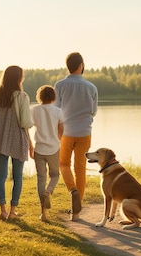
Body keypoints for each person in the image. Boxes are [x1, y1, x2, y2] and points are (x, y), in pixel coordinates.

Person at [0, 65, 34, 221]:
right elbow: (26, 122)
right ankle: (13, 211)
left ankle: (3, 211)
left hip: (0, 139)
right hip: (18, 138)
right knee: (18, 176)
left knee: (1, 175)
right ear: (18, 78)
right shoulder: (21, 96)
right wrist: (31, 143)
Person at [54, 52, 98, 221]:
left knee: (63, 163)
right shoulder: (91, 87)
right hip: (85, 132)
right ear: (81, 65)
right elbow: (93, 111)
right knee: (80, 169)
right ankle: (76, 212)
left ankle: (72, 190)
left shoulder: (60, 85)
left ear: (68, 67)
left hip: (66, 132)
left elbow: (57, 111)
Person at [31, 85, 64, 222]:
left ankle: (43, 214)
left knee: (41, 179)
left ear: (40, 97)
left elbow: (28, 125)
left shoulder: (34, 110)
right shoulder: (58, 111)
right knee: (55, 175)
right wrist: (58, 141)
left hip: (39, 149)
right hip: (53, 149)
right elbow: (61, 130)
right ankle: (48, 191)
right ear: (53, 97)